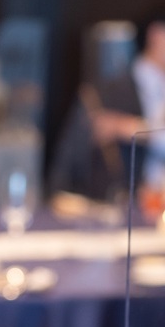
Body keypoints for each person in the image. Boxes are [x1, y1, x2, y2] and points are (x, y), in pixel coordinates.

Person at [49, 11, 165, 200]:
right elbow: (67, 164)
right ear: (156, 34)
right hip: (121, 205)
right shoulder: (104, 93)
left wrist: (130, 127)